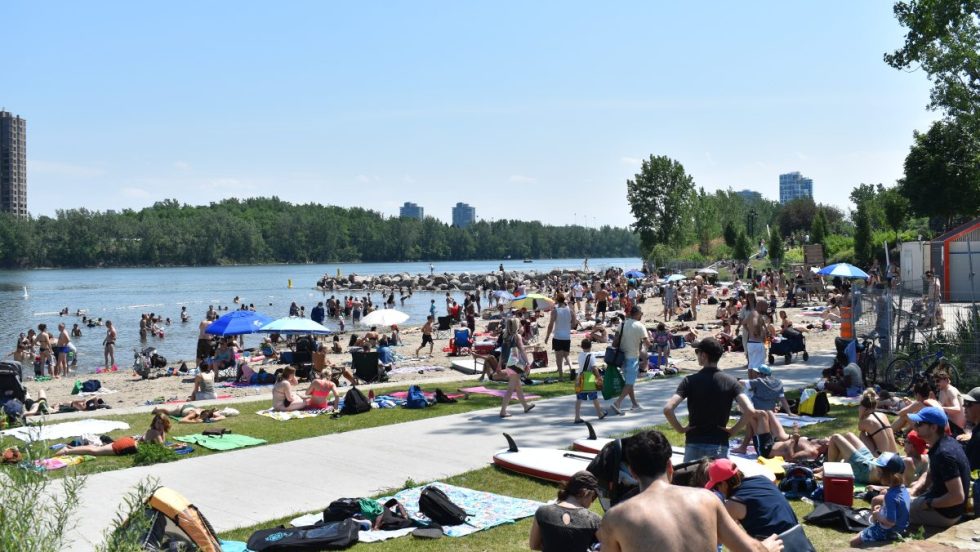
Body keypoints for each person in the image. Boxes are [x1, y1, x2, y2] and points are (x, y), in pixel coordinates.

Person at [596, 430, 782, 552]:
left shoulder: (616, 517)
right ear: (670, 466)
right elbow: (750, 550)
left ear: (633, 472)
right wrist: (765, 547)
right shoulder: (706, 499)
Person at [665, 337, 757, 462]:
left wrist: (680, 429)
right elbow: (750, 410)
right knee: (717, 481)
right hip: (719, 444)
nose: (697, 355)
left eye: (698, 352)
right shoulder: (731, 381)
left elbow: (668, 409)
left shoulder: (690, 381)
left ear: (704, 355)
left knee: (690, 480)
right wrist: (733, 431)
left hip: (694, 442)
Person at [705, 458, 799, 539]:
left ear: (724, 484)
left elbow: (717, 539)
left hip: (776, 546)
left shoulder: (734, 503)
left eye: (715, 488)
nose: (717, 491)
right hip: (799, 540)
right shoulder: (762, 479)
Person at [908, 406, 970, 528]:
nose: (915, 427)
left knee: (889, 507)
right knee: (891, 497)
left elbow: (957, 497)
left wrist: (928, 503)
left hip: (944, 514)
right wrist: (916, 489)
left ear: (933, 427)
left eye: (919, 423)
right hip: (940, 504)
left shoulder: (944, 454)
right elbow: (931, 471)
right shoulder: (944, 443)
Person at [529, 471, 601, 552]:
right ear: (586, 493)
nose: (592, 502)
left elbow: (534, 545)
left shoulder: (542, 512)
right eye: (593, 497)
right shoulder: (594, 520)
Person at [852, 452, 911, 546]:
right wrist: (882, 509)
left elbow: (891, 522)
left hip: (889, 532)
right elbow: (896, 510)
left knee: (853, 541)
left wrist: (877, 515)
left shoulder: (890, 496)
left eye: (879, 472)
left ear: (890, 475)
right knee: (861, 533)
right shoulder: (902, 489)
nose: (877, 475)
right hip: (902, 528)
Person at [55, 412, 170, 457]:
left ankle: (74, 449)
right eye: (157, 423)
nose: (159, 425)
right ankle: (67, 451)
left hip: (129, 442)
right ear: (154, 423)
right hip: (127, 446)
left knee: (96, 448)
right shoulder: (155, 432)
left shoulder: (157, 431)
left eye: (161, 423)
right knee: (95, 452)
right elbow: (162, 449)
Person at [610, 306, 650, 415]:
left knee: (629, 381)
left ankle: (634, 404)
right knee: (629, 383)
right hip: (632, 357)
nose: (642, 315)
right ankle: (618, 403)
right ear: (637, 313)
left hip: (622, 357)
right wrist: (651, 343)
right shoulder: (640, 326)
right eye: (641, 313)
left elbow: (615, 339)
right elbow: (647, 343)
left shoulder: (622, 324)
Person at [498, 317, 535, 418]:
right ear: (516, 326)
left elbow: (502, 353)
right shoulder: (517, 336)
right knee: (510, 388)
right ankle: (503, 411)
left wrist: (498, 366)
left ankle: (525, 406)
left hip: (508, 364)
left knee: (518, 387)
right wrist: (527, 363)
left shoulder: (505, 337)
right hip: (516, 364)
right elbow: (522, 351)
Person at [854, 389, 898, 455]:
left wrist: (861, 414)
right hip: (895, 455)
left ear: (863, 408)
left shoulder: (866, 421)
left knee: (862, 434)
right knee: (872, 434)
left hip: (883, 459)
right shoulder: (883, 415)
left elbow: (860, 426)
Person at [544, 292, 576, 380]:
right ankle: (571, 367)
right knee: (566, 355)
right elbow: (574, 323)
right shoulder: (570, 310)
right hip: (566, 336)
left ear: (557, 300)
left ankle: (561, 376)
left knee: (558, 357)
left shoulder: (555, 311)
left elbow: (550, 325)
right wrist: (567, 325)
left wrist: (547, 337)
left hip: (558, 336)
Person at [573, 339, 606, 424]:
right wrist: (599, 377)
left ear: (581, 346)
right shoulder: (591, 355)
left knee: (579, 398)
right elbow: (594, 367)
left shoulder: (580, 355)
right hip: (589, 379)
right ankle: (599, 414)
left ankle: (577, 417)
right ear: (591, 346)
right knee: (594, 397)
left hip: (580, 378)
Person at [933, 368, 965, 432]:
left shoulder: (951, 390)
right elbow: (939, 408)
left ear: (946, 380)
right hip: (951, 424)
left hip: (959, 428)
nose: (935, 384)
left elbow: (957, 409)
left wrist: (940, 407)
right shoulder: (942, 391)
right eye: (934, 381)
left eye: (938, 381)